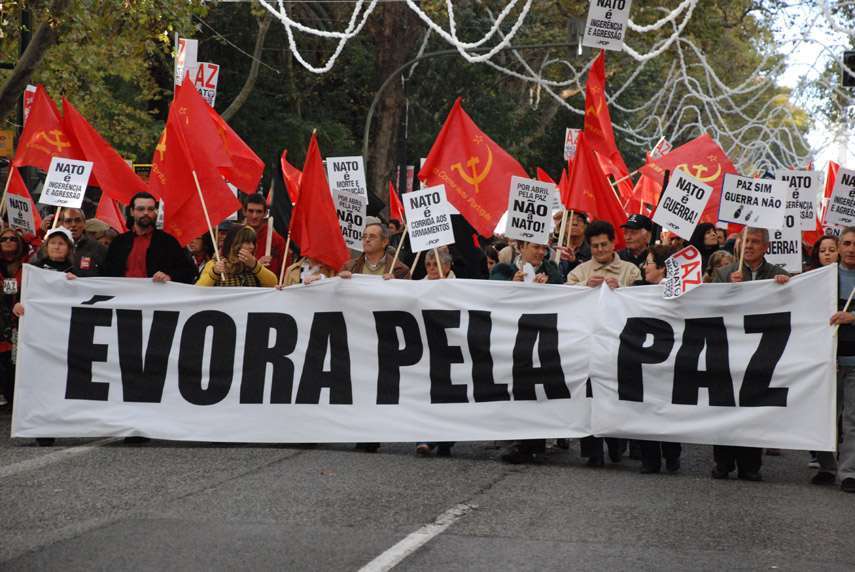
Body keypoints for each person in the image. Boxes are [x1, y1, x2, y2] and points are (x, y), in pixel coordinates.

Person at [711, 227, 790, 481]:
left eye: (755, 242)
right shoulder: (724, 273)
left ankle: (750, 465)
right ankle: (722, 462)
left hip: (759, 353)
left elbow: (793, 303)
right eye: (745, 241)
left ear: (766, 247)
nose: (749, 246)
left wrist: (784, 287)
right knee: (723, 405)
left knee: (752, 406)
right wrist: (727, 290)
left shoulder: (777, 274)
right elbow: (708, 306)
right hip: (729, 350)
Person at [568, 220, 640, 466]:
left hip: (618, 345)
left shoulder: (630, 270)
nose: (599, 250)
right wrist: (582, 288)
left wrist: (621, 290)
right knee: (588, 398)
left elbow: (642, 301)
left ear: (613, 243)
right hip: (586, 346)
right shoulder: (579, 272)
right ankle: (592, 452)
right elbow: (563, 299)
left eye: (604, 244)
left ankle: (616, 442)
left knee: (614, 396)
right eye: (595, 246)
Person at [489, 239, 563, 464]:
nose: (541, 252)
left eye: (544, 248)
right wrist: (511, 285)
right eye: (535, 247)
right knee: (515, 385)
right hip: (510, 338)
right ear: (521, 247)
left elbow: (566, 295)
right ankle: (518, 439)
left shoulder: (552, 270)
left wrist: (550, 288)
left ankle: (531, 442)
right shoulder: (505, 270)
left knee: (537, 386)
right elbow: (489, 295)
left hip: (542, 338)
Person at [14, 227, 78, 446]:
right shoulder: (34, 271)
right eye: (53, 243)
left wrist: (79, 282)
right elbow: (21, 295)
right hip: (41, 336)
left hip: (67, 335)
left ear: (69, 248)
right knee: (42, 380)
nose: (56, 247)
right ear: (46, 246)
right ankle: (42, 426)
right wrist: (18, 306)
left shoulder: (76, 271)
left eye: (61, 243)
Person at [633, 244, 683, 473]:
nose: (644, 267)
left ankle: (672, 456)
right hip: (644, 358)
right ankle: (649, 459)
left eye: (649, 263)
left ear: (663, 268)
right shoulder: (636, 289)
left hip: (670, 359)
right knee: (645, 409)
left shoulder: (679, 292)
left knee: (669, 408)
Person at [816, 227, 855, 493]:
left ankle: (849, 472)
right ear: (839, 247)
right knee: (823, 416)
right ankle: (826, 466)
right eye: (848, 243)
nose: (852, 249)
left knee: (851, 419)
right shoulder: (822, 277)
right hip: (825, 361)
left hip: (853, 361)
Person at [416, 246, 456, 458]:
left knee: (447, 392)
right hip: (425, 346)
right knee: (424, 391)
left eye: (437, 264)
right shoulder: (417, 286)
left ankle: (445, 439)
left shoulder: (460, 286)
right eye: (429, 265)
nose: (432, 268)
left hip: (450, 346)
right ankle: (425, 438)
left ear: (448, 266)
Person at [104, 192, 195, 284]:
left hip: (155, 296)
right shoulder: (119, 242)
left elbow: (187, 272)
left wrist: (169, 276)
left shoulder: (168, 242)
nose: (146, 213)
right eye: (141, 209)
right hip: (123, 295)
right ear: (132, 211)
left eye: (150, 209)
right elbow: (106, 273)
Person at [0, 228, 29, 407]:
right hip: (3, 321)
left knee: (17, 359)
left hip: (21, 319)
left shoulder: (28, 263)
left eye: (13, 238)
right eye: (4, 239)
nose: (8, 241)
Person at [195, 225, 277, 287]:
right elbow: (198, 290)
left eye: (253, 242)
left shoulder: (253, 265)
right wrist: (214, 273)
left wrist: (255, 266)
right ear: (234, 243)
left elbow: (273, 283)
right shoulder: (215, 264)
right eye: (247, 242)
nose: (252, 246)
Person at [340, 220, 410, 280]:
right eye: (364, 236)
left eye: (372, 236)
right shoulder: (349, 267)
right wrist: (341, 281)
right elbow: (336, 293)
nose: (367, 240)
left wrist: (396, 283)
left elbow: (408, 293)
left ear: (384, 242)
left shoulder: (401, 270)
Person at [242, 194, 286, 277]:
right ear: (244, 211)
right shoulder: (234, 237)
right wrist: (257, 266)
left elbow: (285, 271)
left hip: (270, 289)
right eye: (250, 211)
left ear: (265, 213)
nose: (254, 216)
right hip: (242, 289)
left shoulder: (277, 240)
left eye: (259, 212)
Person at [57, 207, 106, 277]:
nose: (73, 224)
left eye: (77, 220)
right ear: (62, 224)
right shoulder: (51, 248)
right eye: (68, 221)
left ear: (84, 223)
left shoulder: (98, 248)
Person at [555, 211, 591, 278]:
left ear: (586, 226)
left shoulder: (593, 251)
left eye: (579, 220)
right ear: (562, 226)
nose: (574, 223)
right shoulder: (554, 250)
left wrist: (574, 262)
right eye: (570, 219)